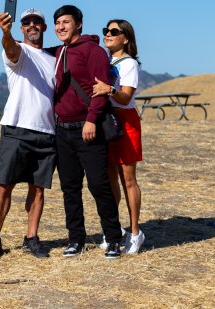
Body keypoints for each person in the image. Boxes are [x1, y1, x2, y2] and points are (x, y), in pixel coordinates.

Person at [0, 8, 57, 261]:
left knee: (38, 190)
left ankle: (31, 237)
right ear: (21, 28)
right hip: (16, 127)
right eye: (27, 22)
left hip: (47, 131)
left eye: (37, 22)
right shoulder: (16, 50)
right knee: (5, 185)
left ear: (45, 28)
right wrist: (6, 32)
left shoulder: (54, 59)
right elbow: (10, 48)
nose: (32, 25)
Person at [52, 5, 124, 259]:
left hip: (88, 128)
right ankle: (76, 239)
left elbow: (101, 89)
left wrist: (92, 120)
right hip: (62, 130)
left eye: (66, 22)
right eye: (57, 23)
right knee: (69, 187)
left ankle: (113, 238)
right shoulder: (59, 52)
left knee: (98, 185)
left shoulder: (93, 51)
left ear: (79, 24)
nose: (60, 27)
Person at [92, 19, 145, 254]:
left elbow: (125, 97)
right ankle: (113, 229)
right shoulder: (105, 60)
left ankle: (135, 232)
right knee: (109, 177)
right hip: (107, 120)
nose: (108, 34)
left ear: (126, 38)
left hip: (125, 120)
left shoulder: (129, 64)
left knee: (128, 178)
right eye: (106, 31)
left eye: (115, 31)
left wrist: (109, 90)